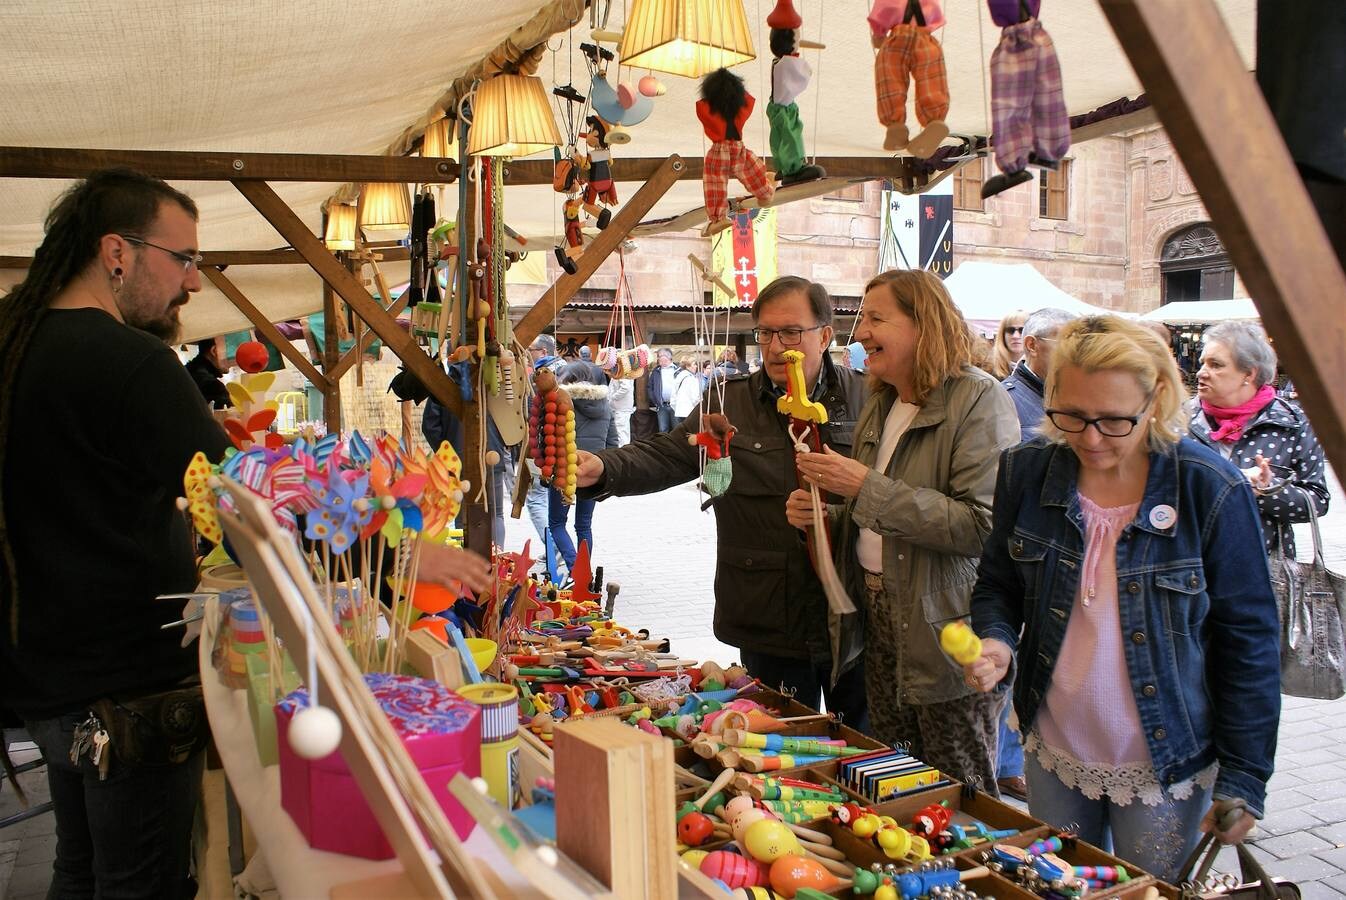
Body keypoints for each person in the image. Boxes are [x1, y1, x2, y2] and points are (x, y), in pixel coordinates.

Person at [965, 315, 1280, 880]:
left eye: (1113, 421)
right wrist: (997, 639)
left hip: (1165, 761)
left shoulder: (1209, 486)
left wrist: (1244, 779)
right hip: (1055, 743)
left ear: (1157, 397)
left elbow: (1249, 642)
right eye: (1072, 416)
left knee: (1147, 891)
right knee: (1057, 885)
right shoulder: (1027, 470)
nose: (1089, 439)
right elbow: (998, 583)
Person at [575, 276, 870, 725]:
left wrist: (839, 510)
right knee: (777, 742)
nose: (776, 347)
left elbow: (891, 491)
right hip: (768, 613)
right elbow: (668, 453)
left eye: (791, 332)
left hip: (853, 616)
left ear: (825, 335)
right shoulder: (728, 402)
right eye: (766, 333)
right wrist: (603, 467)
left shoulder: (867, 399)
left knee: (863, 752)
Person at [788, 270, 1020, 791]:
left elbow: (983, 526)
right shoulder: (884, 400)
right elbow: (875, 515)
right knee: (898, 778)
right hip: (880, 620)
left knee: (960, 790)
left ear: (924, 324)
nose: (860, 333)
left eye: (875, 318)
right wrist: (828, 515)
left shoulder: (979, 400)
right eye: (861, 318)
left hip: (948, 631)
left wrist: (864, 488)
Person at [1188, 321, 1328, 555]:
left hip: (1260, 570)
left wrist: (1266, 491)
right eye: (1203, 363)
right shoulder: (1178, 419)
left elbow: (1317, 502)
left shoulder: (1292, 423)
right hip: (1184, 572)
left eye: (1216, 365)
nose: (1201, 372)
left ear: (1248, 374)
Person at [549, 360, 620, 570]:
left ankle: (576, 569)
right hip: (593, 473)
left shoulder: (560, 405)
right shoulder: (605, 406)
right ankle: (583, 575)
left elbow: (550, 441)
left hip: (563, 471)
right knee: (583, 525)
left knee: (556, 523)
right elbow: (613, 444)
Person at [1002, 308, 1077, 436]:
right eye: (1065, 344)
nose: (1075, 353)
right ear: (1031, 345)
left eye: (1079, 345)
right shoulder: (1004, 400)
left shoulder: (1080, 397)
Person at [184, 337, 233, 410]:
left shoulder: (184, 373)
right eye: (230, 351)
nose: (233, 358)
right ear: (214, 351)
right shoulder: (212, 386)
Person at [646, 348, 682, 432]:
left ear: (669, 358)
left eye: (664, 360)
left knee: (677, 428)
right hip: (661, 405)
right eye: (660, 360)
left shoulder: (678, 370)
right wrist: (655, 401)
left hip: (675, 405)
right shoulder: (656, 371)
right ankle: (664, 445)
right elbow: (650, 387)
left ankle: (676, 445)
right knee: (662, 429)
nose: (662, 363)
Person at [990, 309, 1027, 379]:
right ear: (1002, 334)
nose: (1015, 336)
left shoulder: (1043, 368)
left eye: (1022, 330)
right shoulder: (988, 368)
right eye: (1010, 330)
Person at [672, 354, 704, 421]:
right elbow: (696, 398)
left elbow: (673, 398)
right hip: (690, 413)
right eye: (694, 364)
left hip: (679, 412)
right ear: (687, 366)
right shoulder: (692, 379)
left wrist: (677, 409)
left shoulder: (678, 377)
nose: (696, 366)